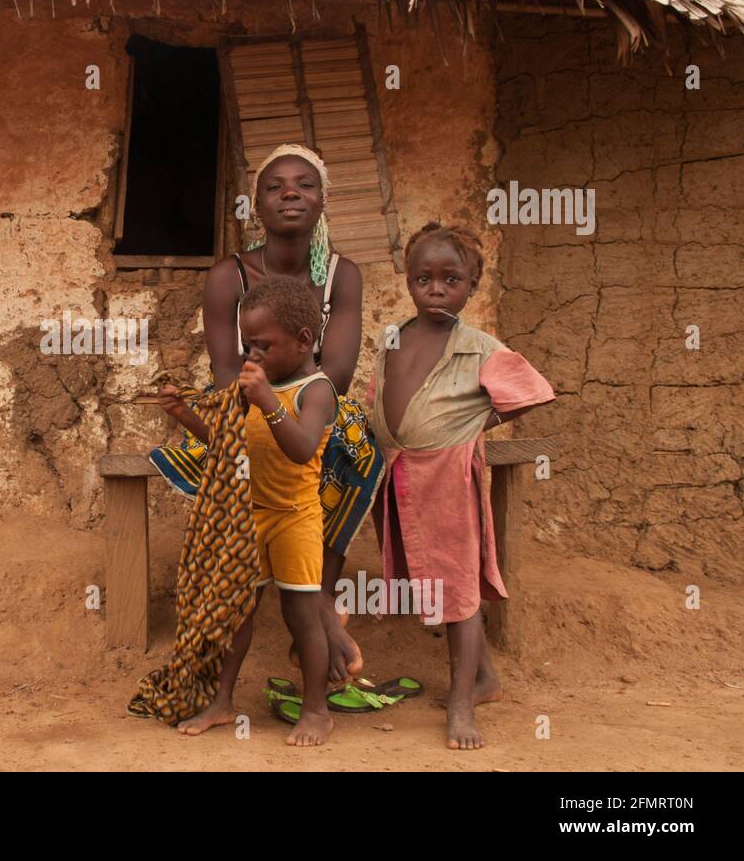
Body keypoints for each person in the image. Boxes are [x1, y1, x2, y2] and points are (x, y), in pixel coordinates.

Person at [151, 143, 383, 684]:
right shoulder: (226, 276)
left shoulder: (342, 275)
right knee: (227, 449)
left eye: (304, 184)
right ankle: (314, 607)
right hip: (243, 398)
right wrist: (260, 406)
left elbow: (339, 373)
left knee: (353, 443)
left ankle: (317, 594)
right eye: (275, 187)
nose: (290, 194)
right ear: (256, 204)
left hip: (315, 399)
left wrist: (283, 402)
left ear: (323, 199)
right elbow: (230, 370)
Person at [365, 222, 555, 750]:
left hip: (445, 477)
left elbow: (534, 391)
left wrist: (475, 425)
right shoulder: (393, 337)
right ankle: (486, 678)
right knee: (435, 581)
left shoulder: (479, 347)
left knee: (457, 591)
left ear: (472, 283)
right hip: (399, 473)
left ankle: (462, 705)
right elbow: (381, 392)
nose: (436, 288)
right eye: (423, 277)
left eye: (451, 278)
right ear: (408, 281)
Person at [159, 276, 338, 746]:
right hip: (249, 515)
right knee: (239, 611)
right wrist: (182, 414)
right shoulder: (252, 387)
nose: (252, 355)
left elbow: (301, 450)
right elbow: (222, 443)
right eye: (247, 345)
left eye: (263, 345)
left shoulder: (315, 390)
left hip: (295, 517)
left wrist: (267, 401)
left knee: (303, 616)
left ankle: (317, 710)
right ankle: (222, 702)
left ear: (303, 341)